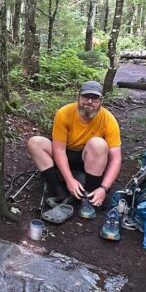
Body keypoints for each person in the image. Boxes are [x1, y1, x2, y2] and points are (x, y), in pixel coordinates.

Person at [26, 80, 122, 224]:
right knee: (35, 143)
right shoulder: (64, 113)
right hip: (66, 153)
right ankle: (60, 193)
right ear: (78, 97)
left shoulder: (108, 119)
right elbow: (58, 149)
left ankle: (88, 196)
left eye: (94, 98)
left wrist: (104, 188)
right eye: (85, 97)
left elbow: (115, 159)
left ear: (101, 101)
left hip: (87, 158)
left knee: (98, 144)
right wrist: (70, 180)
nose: (89, 102)